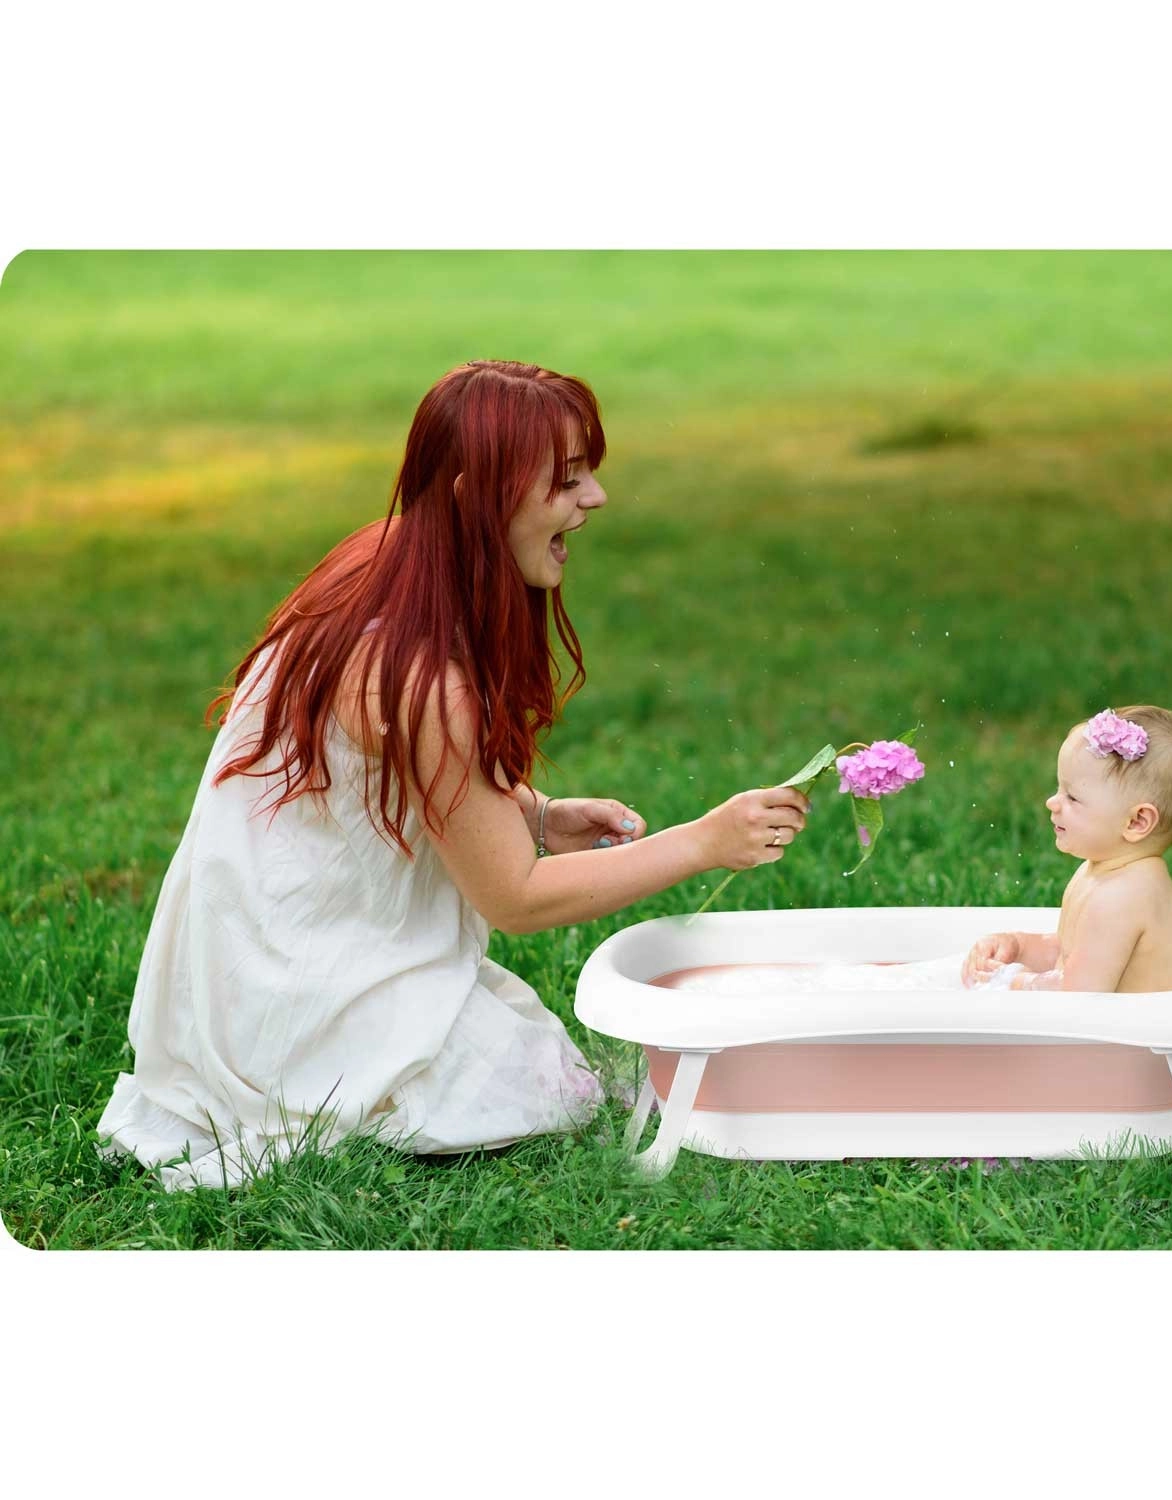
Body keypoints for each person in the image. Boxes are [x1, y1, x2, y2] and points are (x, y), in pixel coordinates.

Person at [96, 359, 812, 1190]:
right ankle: (314, 1075)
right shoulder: (420, 677)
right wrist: (704, 842)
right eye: (567, 480)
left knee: (537, 1062)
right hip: (292, 999)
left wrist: (535, 812)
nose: (596, 498)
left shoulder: (381, 562)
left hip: (244, 974)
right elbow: (515, 899)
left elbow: (383, 773)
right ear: (479, 496)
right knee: (545, 1089)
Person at [962, 705, 1172, 993]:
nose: (1052, 803)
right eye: (1059, 789)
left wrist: (1012, 981)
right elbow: (1068, 953)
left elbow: (1080, 994)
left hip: (1159, 1022)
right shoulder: (1100, 871)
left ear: (1137, 821)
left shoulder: (1124, 895)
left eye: (1073, 797)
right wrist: (1017, 946)